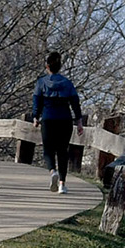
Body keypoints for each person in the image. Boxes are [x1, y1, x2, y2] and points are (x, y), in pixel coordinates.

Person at [30, 51, 83, 194]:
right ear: (60, 67)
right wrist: (79, 121)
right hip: (65, 120)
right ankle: (62, 184)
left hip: (48, 119)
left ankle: (52, 171)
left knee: (48, 149)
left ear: (47, 66)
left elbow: (37, 101)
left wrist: (35, 117)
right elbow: (75, 103)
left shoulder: (41, 83)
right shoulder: (67, 83)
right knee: (62, 151)